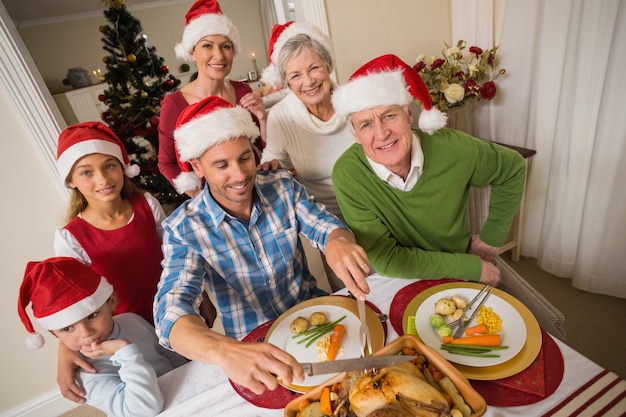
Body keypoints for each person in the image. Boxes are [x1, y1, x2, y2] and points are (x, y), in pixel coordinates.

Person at [153, 96, 370, 395]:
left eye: (245, 157)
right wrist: (222, 351)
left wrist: (338, 241)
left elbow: (327, 228)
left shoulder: (282, 186)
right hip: (252, 349)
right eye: (222, 165)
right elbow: (170, 310)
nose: (240, 174)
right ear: (197, 167)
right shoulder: (184, 229)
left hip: (316, 317)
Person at [331, 54, 527, 286]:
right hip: (397, 277)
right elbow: (386, 257)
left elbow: (513, 167)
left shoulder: (453, 147)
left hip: (458, 267)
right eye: (366, 125)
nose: (382, 133)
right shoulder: (348, 174)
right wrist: (470, 266)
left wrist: (492, 237)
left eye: (389, 116)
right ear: (356, 136)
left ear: (409, 115)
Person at [52, 121, 172, 404]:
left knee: (186, 374)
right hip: (124, 331)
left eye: (109, 166)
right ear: (71, 180)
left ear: (123, 167)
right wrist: (64, 351)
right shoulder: (71, 238)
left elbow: (175, 256)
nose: (102, 179)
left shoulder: (147, 205)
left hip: (171, 310)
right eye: (86, 172)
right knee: (150, 393)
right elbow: (69, 303)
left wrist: (200, 293)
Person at [18, 257, 187, 417]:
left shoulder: (131, 320)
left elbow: (173, 356)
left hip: (184, 394)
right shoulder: (85, 373)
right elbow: (144, 410)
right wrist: (125, 352)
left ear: (111, 301)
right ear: (53, 333)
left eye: (92, 316)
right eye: (68, 328)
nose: (85, 333)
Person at [258, 22, 356, 291]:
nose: (309, 81)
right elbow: (272, 161)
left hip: (377, 209)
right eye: (296, 75)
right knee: (353, 293)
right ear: (287, 81)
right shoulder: (281, 116)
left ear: (328, 66)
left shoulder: (354, 101)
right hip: (329, 221)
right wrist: (273, 167)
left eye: (314, 68)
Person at [158, 0, 267, 198]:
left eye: (225, 46)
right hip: (210, 197)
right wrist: (198, 195)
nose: (218, 55)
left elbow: (258, 147)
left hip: (250, 189)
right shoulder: (174, 104)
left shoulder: (242, 90)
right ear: (192, 52)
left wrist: (263, 118)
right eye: (207, 46)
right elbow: (166, 163)